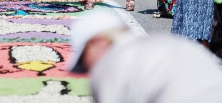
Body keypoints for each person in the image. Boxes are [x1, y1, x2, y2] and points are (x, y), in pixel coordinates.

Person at [68, 11, 222, 103]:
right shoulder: (163, 41)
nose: (88, 70)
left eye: (84, 60)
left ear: (97, 44)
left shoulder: (110, 63)